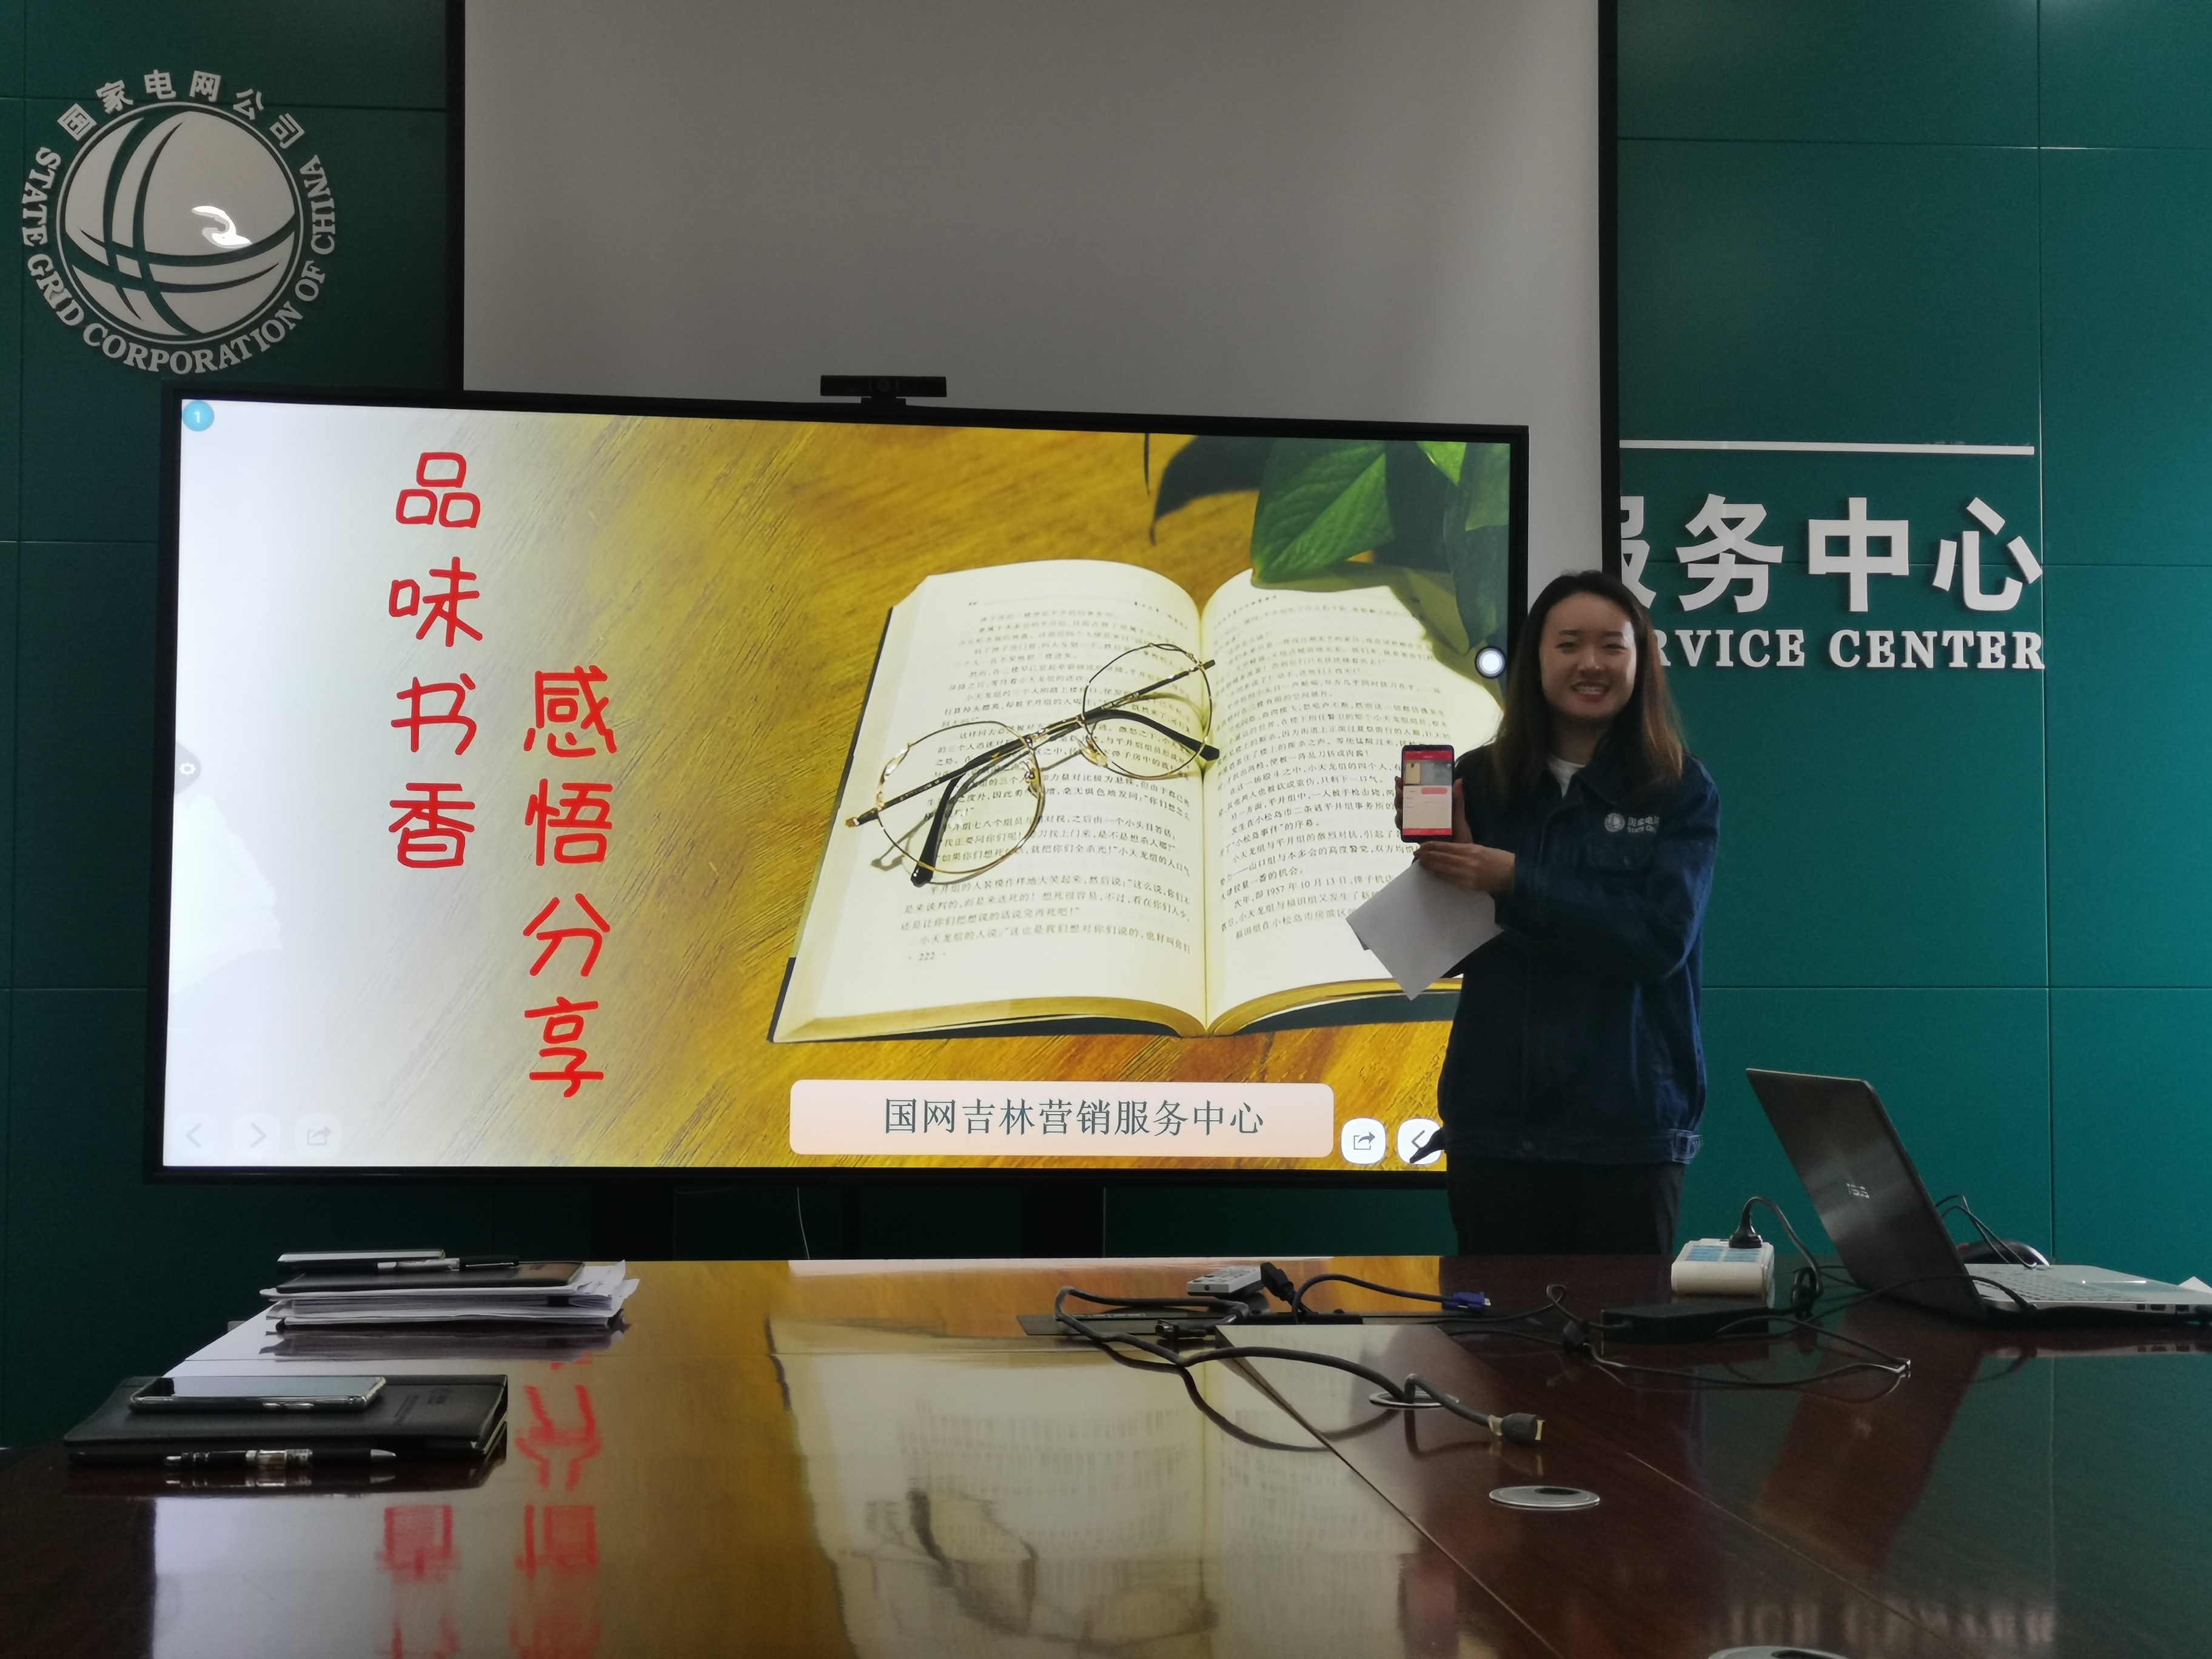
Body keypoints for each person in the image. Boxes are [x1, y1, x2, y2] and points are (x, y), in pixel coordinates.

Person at [1414, 570, 1719, 1255]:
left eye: (1612, 646)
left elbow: (1658, 941)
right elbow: (1448, 957)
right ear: (1535, 660)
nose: (1591, 663)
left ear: (1640, 662)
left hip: (1629, 1130)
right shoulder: (1477, 780)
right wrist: (1444, 877)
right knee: (1497, 1326)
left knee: (1624, 1324)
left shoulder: (1678, 788)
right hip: (1495, 1124)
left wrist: (1514, 879)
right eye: (1569, 644)